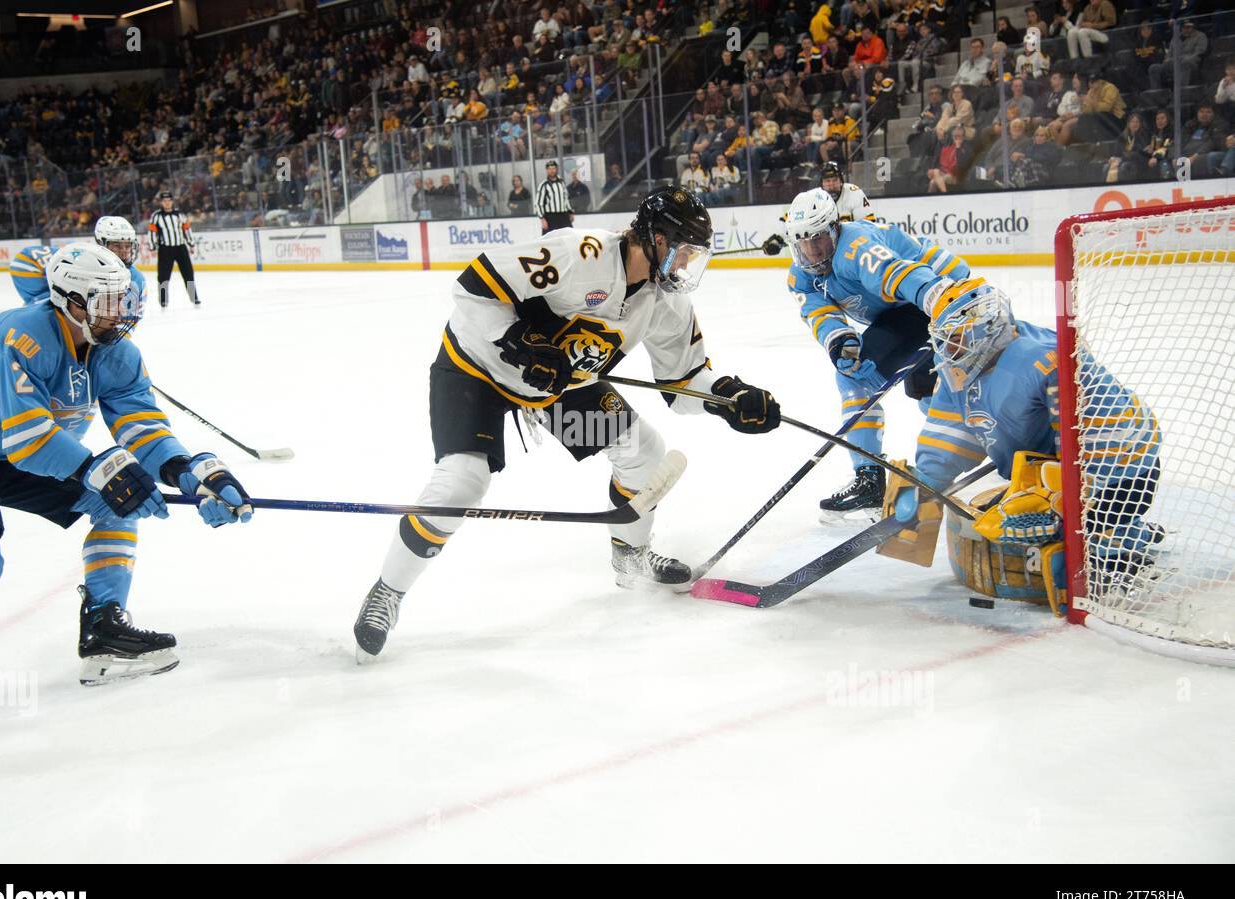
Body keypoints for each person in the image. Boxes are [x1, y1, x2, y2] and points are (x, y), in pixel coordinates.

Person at [351, 189, 783, 659]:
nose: (685, 265)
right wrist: (519, 340)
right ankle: (387, 592)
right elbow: (472, 286)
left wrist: (726, 397)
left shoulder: (666, 302)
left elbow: (684, 380)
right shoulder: (582, 255)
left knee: (645, 454)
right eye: (682, 251)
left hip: (557, 386)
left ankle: (630, 555)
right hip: (476, 367)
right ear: (657, 239)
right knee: (462, 483)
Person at [0, 243, 252, 685]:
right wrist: (102, 470)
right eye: (107, 302)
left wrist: (186, 471)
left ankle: (104, 628)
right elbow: (28, 438)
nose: (120, 312)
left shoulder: (119, 354)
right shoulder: (22, 334)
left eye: (123, 300)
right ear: (71, 300)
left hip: (13, 452)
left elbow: (141, 426)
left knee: (115, 504)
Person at [888, 281, 1161, 607]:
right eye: (945, 342)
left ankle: (1124, 541)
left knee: (1081, 546)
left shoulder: (1045, 359)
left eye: (956, 340)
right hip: (1047, 465)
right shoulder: (959, 372)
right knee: (1010, 520)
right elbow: (949, 435)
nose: (948, 351)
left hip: (1118, 468)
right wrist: (924, 486)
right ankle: (1117, 530)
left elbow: (1104, 432)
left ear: (985, 329)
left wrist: (1060, 497)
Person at [781, 187, 970, 523]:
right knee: (929, 391)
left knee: (855, 380)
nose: (812, 251)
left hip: (940, 292)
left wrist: (940, 298)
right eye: (803, 243)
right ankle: (988, 439)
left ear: (835, 228)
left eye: (819, 239)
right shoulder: (801, 278)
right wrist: (840, 342)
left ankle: (869, 480)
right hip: (903, 309)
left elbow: (899, 275)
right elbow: (819, 314)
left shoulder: (855, 247)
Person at [148, 191, 199, 307]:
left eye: (169, 200)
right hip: (165, 249)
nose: (167, 203)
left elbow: (186, 229)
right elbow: (152, 232)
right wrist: (153, 247)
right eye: (164, 201)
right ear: (161, 202)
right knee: (163, 276)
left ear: (172, 201)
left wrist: (191, 244)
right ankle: (163, 300)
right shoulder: (156, 216)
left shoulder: (179, 214)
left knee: (188, 274)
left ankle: (194, 297)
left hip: (181, 248)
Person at [535, 159, 573, 233]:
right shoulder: (544, 185)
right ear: (546, 170)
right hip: (550, 217)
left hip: (563, 215)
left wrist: (570, 211)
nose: (552, 171)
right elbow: (538, 203)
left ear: (557, 169)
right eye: (549, 169)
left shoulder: (561, 183)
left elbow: (565, 198)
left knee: (568, 237)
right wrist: (542, 219)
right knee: (549, 240)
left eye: (553, 168)